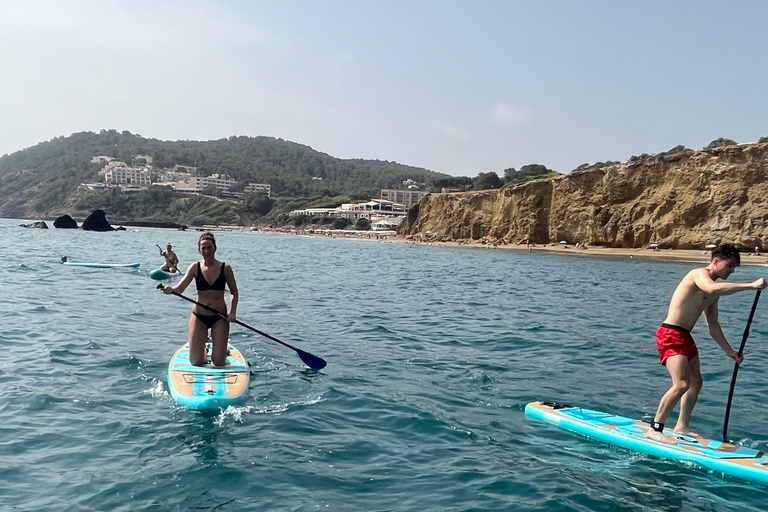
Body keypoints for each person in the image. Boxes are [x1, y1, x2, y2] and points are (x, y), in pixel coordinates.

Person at [646, 244, 767, 445]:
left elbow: (713, 325)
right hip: (670, 333)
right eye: (730, 265)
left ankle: (682, 425)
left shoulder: (715, 294)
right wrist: (750, 285)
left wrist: (731, 352)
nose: (732, 271)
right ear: (716, 261)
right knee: (682, 384)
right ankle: (655, 428)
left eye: (735, 267)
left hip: (685, 336)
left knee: (697, 383)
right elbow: (711, 287)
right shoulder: (698, 275)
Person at [162, 232, 238, 366]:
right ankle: (205, 347)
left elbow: (234, 292)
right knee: (196, 362)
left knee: (218, 362)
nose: (206, 251)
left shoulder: (225, 268)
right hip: (199, 316)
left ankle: (221, 351)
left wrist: (233, 312)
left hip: (219, 317)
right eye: (203, 248)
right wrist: (170, 290)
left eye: (209, 247)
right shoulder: (194, 267)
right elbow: (179, 289)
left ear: (215, 248)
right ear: (199, 250)